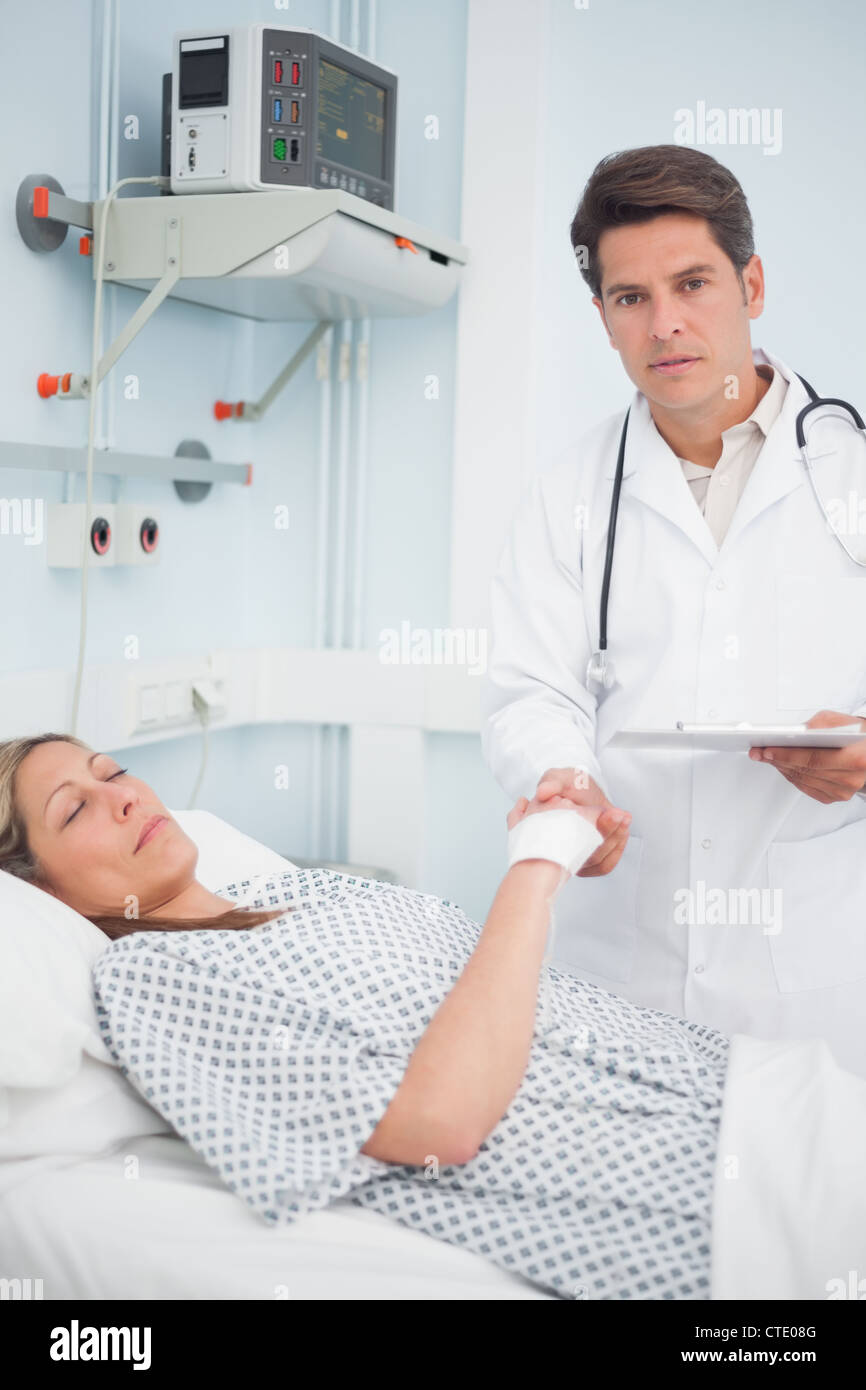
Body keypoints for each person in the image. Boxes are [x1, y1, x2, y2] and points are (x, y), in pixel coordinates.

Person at [1, 732, 730, 1301]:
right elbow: (438, 1123)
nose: (122, 797)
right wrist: (537, 867)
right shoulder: (152, 977)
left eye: (112, 771)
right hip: (698, 1200)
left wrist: (555, 837)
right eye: (75, 809)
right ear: (41, 890)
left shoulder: (303, 889)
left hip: (727, 1081)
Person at [481, 143, 866, 1078]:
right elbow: (531, 690)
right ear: (605, 318)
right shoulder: (569, 492)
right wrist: (563, 777)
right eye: (630, 299)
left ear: (753, 282)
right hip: (619, 963)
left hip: (815, 969)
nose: (666, 325)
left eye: (693, 283)